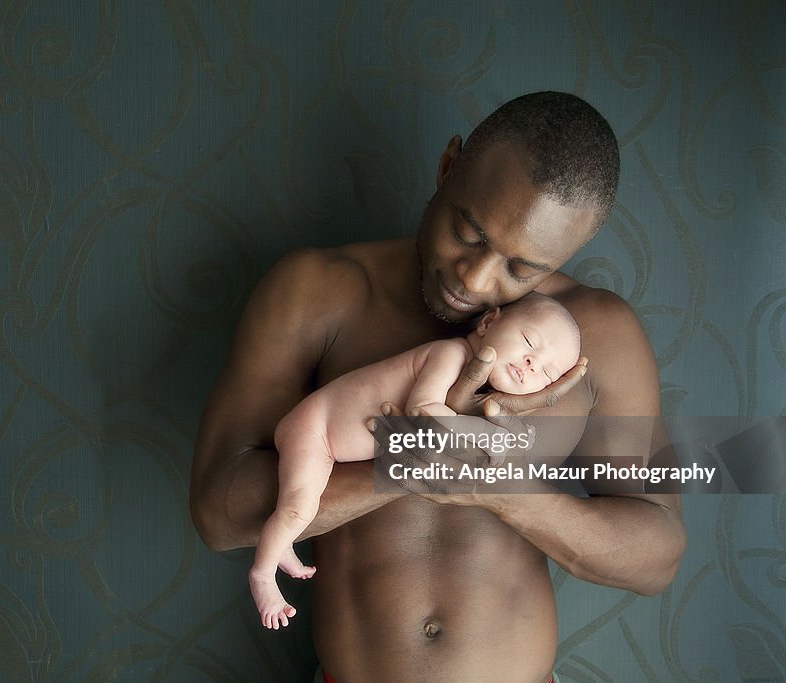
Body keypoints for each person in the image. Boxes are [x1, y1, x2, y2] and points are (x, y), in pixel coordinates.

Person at [192, 91, 686, 682]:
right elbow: (218, 513)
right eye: (470, 233)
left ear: (567, 254)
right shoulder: (319, 291)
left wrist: (492, 484)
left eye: (521, 269)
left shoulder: (598, 335)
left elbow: (657, 555)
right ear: (448, 167)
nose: (475, 279)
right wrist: (411, 455)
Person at [251, 293, 581, 630]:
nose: (530, 363)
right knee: (297, 509)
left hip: (330, 446)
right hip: (315, 430)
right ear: (487, 322)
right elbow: (423, 413)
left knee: (297, 511)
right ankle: (262, 575)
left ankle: (282, 547)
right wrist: (487, 435)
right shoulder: (451, 354)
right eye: (529, 342)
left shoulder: (481, 391)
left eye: (546, 372)